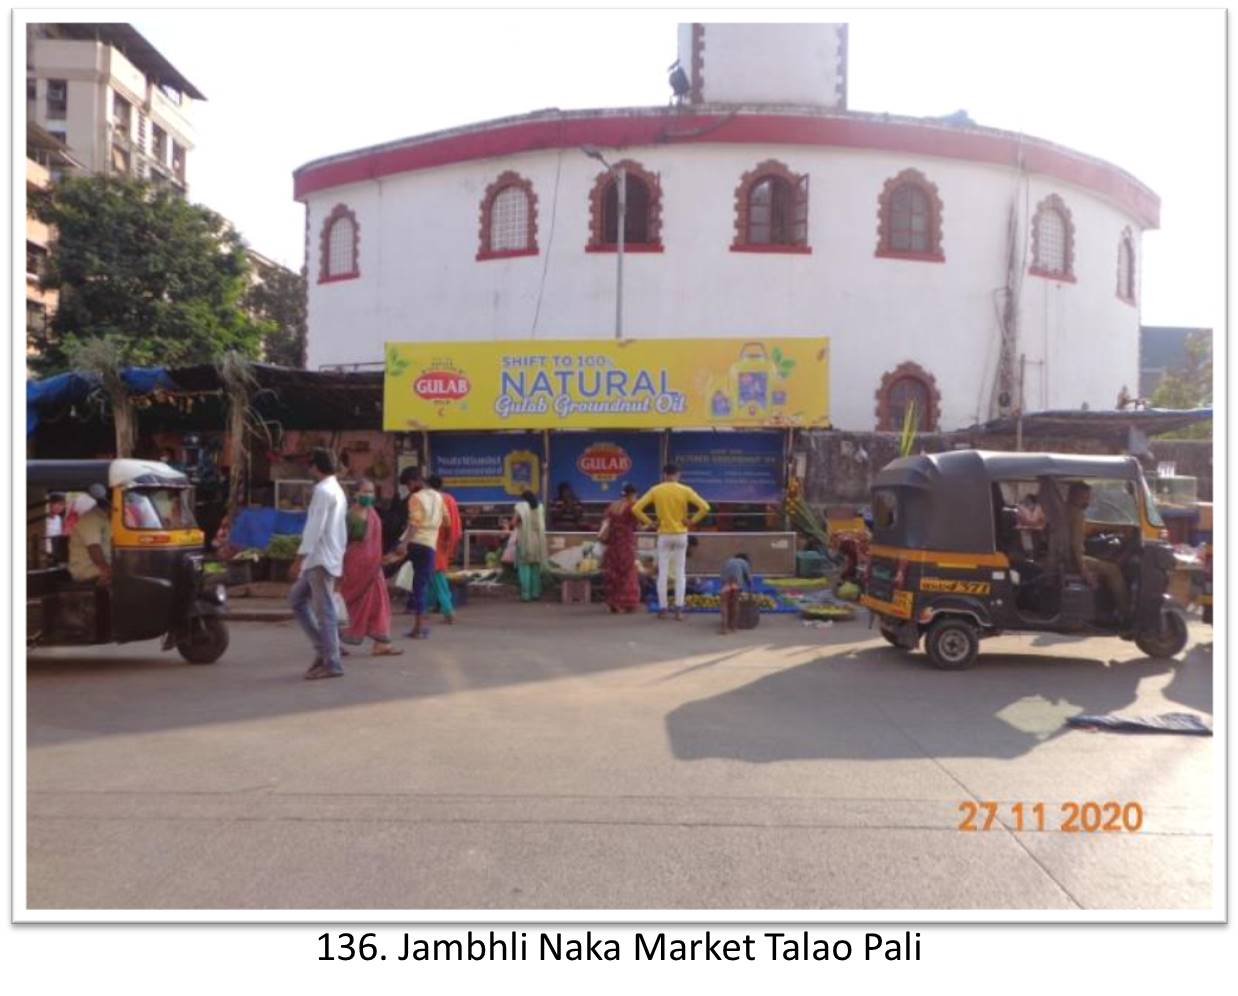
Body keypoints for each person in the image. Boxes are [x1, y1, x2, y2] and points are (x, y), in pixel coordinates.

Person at [288, 448, 348, 680]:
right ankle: (323, 650)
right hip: (324, 557)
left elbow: (315, 528)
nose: (309, 469)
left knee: (325, 613)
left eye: (310, 465)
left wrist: (299, 558)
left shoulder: (323, 490)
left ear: (316, 466)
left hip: (320, 558)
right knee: (297, 600)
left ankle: (332, 662)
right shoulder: (336, 489)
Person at [632, 463, 711, 620]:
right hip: (681, 534)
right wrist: (692, 520)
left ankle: (662, 609)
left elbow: (636, 508)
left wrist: (650, 522)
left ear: (664, 475)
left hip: (664, 535)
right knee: (680, 573)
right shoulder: (685, 490)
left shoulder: (656, 490)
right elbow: (705, 507)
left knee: (663, 573)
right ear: (678, 475)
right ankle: (679, 610)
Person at [338, 480, 403, 657]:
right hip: (354, 568)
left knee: (379, 604)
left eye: (372, 492)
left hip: (374, 569)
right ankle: (334, 642)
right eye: (365, 492)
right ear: (356, 494)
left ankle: (382, 643)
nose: (369, 496)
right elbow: (342, 544)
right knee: (349, 605)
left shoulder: (373, 514)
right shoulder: (349, 517)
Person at [1066, 481, 1129, 619]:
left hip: (1065, 556)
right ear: (1073, 495)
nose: (1087, 500)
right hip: (1071, 560)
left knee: (1104, 562)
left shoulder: (1066, 510)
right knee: (1113, 569)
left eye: (1088, 497)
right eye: (1083, 497)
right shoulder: (1077, 514)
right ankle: (1125, 612)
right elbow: (1076, 546)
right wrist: (1084, 572)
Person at [395, 469, 444, 638]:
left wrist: (404, 543)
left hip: (414, 543)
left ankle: (417, 628)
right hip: (430, 545)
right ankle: (419, 627)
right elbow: (445, 520)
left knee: (388, 567)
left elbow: (414, 523)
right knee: (420, 586)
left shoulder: (415, 498)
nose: (408, 488)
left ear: (416, 480)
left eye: (408, 484)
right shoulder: (439, 497)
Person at [425, 474, 462, 624]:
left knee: (438, 577)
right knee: (433, 576)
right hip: (445, 542)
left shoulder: (431, 500)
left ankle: (447, 609)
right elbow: (455, 523)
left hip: (432, 541)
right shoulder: (450, 499)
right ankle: (430, 605)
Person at [599, 482, 641, 613]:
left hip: (612, 544)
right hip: (625, 544)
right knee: (627, 573)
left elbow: (605, 522)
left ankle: (613, 602)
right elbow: (637, 525)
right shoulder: (631, 507)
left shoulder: (612, 506)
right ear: (632, 495)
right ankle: (624, 603)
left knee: (613, 573)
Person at [68, 484, 112, 585]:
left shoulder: (105, 519)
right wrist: (106, 570)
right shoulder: (91, 518)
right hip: (88, 571)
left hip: (100, 568)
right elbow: (93, 547)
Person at [508, 490, 547, 602]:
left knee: (524, 568)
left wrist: (515, 523)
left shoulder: (521, 507)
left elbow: (514, 522)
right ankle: (536, 593)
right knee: (535, 568)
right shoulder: (540, 507)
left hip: (525, 540)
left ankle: (526, 595)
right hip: (538, 540)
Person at [719, 552, 754, 635]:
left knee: (724, 603)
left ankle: (724, 627)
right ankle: (733, 627)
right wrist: (751, 592)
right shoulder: (744, 563)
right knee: (735, 603)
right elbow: (749, 579)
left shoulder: (728, 561)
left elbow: (722, 575)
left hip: (726, 582)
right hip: (736, 582)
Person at [44, 492, 66, 557]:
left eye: (62, 504)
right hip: (45, 552)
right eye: (57, 504)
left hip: (55, 552)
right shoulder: (43, 519)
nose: (60, 507)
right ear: (50, 504)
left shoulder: (58, 518)